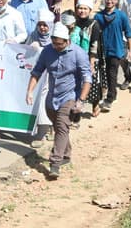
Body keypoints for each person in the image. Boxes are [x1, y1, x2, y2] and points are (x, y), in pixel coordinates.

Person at [25, 22, 92, 180]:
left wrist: (81, 100)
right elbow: (37, 71)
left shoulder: (78, 53)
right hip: (52, 97)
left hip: (69, 96)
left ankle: (54, 164)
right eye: (54, 43)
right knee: (59, 126)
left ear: (67, 41)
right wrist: (29, 91)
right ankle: (66, 154)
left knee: (61, 127)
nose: (56, 46)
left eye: (59, 44)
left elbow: (87, 79)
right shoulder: (48, 51)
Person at [93, 0, 131, 111]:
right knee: (105, 74)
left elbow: (128, 32)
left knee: (112, 74)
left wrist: (130, 49)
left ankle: (110, 98)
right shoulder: (99, 16)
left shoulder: (121, 16)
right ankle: (106, 93)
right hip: (103, 51)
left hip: (116, 49)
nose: (109, 1)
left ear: (115, 1)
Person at [71, 0, 105, 117]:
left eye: (85, 8)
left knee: (92, 84)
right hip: (74, 58)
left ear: (90, 10)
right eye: (80, 8)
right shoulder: (73, 23)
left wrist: (91, 63)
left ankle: (95, 104)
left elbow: (94, 45)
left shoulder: (94, 25)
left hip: (90, 58)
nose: (82, 11)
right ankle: (76, 111)